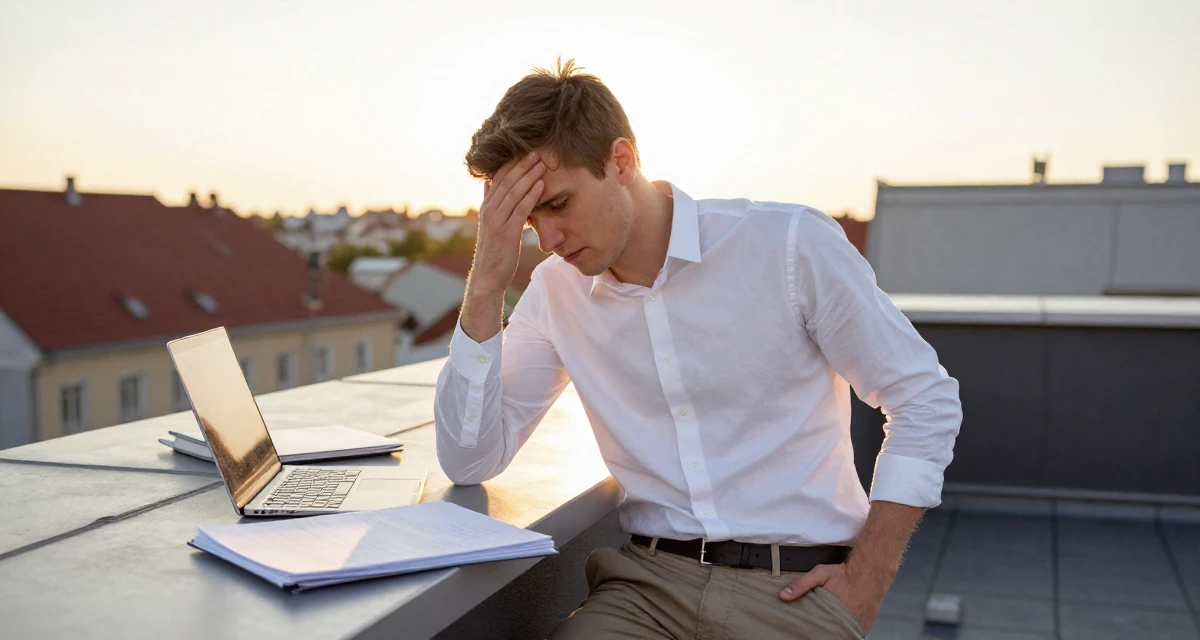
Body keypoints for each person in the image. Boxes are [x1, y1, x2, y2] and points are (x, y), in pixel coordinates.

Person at [434, 59, 962, 640]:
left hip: (791, 591)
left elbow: (923, 399)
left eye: (558, 204)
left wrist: (868, 580)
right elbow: (470, 457)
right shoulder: (555, 292)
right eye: (530, 220)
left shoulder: (788, 246)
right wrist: (486, 281)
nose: (549, 240)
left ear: (622, 160)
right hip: (644, 590)